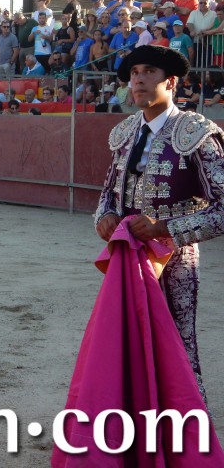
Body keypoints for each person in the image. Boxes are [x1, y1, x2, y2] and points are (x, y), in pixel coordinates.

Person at [95, 45, 224, 402]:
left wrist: (165, 228)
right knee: (125, 341)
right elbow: (107, 193)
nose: (138, 79)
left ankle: (185, 425)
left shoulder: (197, 133)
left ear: (170, 82)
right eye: (134, 73)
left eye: (149, 71)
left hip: (175, 260)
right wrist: (105, 217)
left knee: (176, 344)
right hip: (127, 258)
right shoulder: (125, 132)